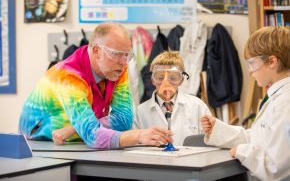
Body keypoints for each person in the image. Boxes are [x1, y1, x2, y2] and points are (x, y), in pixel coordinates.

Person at [19, 22, 173, 149]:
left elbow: (124, 119)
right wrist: (139, 135)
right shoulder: (68, 76)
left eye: (126, 55)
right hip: (37, 145)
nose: (124, 62)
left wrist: (74, 129)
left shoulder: (117, 68)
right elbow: (93, 135)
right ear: (96, 51)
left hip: (74, 144)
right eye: (117, 54)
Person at [201, 26, 290, 180]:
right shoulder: (278, 96)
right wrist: (218, 129)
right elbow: (258, 138)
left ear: (271, 61)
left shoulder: (285, 102)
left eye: (251, 63)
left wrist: (242, 152)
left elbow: (276, 167)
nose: (250, 70)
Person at [134, 51, 212, 146]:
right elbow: (135, 145)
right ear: (152, 80)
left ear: (181, 80)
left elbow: (210, 140)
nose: (166, 83)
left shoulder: (197, 106)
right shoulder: (140, 112)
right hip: (154, 160)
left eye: (173, 78)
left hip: (189, 160)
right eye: (160, 78)